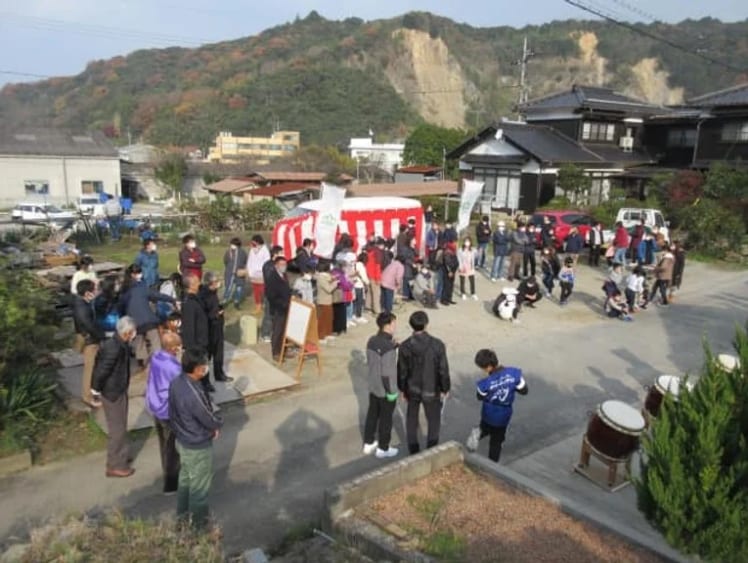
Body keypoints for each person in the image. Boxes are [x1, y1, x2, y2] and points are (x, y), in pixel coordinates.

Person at [168, 350, 223, 530]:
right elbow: (207, 417)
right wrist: (216, 425)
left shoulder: (176, 383)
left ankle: (182, 519)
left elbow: (172, 413)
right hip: (197, 445)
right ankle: (198, 530)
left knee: (185, 481)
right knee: (199, 489)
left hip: (182, 440)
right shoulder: (194, 392)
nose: (206, 368)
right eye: (204, 365)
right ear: (197, 369)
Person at [397, 311, 451, 455]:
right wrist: (445, 387)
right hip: (431, 388)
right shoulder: (437, 345)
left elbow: (402, 370)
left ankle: (413, 448)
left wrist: (402, 389)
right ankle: (432, 448)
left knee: (411, 418)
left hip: (412, 388)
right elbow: (443, 369)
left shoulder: (405, 346)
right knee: (433, 419)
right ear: (426, 324)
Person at [91, 316, 137, 478]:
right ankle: (115, 465)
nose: (134, 334)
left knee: (121, 425)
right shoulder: (114, 348)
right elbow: (101, 371)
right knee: (116, 429)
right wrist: (95, 390)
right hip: (112, 391)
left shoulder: (120, 344)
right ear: (127, 332)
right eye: (133, 332)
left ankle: (122, 456)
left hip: (118, 388)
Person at [465, 349, 528, 462]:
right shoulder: (514, 373)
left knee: (485, 427)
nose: (483, 370)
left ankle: (478, 433)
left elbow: (479, 397)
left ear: (488, 367)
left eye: (483, 368)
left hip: (488, 413)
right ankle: (492, 466)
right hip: (504, 415)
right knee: (496, 442)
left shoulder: (485, 384)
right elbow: (524, 391)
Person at [145, 331, 183, 494]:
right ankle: (171, 484)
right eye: (178, 346)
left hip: (155, 405)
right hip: (168, 411)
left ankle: (167, 472)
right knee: (172, 449)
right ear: (172, 348)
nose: (179, 349)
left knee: (164, 444)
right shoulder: (174, 367)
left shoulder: (156, 357)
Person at [119, 264, 176, 367]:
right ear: (133, 275)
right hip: (149, 320)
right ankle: (158, 364)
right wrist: (172, 300)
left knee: (140, 345)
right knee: (155, 343)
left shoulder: (124, 292)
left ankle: (144, 365)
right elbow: (157, 295)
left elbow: (121, 308)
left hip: (135, 323)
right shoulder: (142, 288)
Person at [363, 312, 400, 459]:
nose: (395, 326)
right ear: (389, 324)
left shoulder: (371, 341)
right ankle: (383, 448)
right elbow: (387, 373)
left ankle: (368, 442)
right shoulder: (388, 348)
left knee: (372, 414)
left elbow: (376, 360)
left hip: (373, 385)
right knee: (386, 418)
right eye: (394, 323)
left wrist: (393, 344)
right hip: (386, 390)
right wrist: (391, 391)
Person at [73, 279, 105, 408]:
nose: (96, 292)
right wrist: (101, 336)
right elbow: (88, 325)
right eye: (94, 290)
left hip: (89, 337)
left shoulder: (83, 303)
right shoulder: (82, 308)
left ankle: (93, 391)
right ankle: (87, 397)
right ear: (87, 293)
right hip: (90, 340)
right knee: (90, 369)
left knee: (94, 367)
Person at [199, 272, 232, 383]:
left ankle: (219, 374)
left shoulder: (214, 292)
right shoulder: (203, 295)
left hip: (218, 326)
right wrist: (215, 314)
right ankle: (205, 379)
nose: (219, 283)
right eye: (216, 281)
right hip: (209, 328)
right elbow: (203, 314)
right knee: (206, 355)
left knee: (219, 352)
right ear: (211, 283)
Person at [181, 274, 212, 392]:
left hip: (203, 340)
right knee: (198, 368)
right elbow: (189, 327)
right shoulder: (189, 303)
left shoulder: (196, 298)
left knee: (204, 366)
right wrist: (191, 348)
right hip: (197, 344)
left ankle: (205, 386)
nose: (199, 283)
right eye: (197, 281)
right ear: (191, 285)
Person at [265, 255, 292, 361]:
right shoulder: (272, 277)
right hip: (278, 308)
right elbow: (270, 295)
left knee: (284, 330)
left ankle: (284, 350)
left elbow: (286, 289)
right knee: (277, 330)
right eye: (281, 264)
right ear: (276, 265)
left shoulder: (284, 275)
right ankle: (276, 352)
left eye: (285, 264)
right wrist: (282, 304)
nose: (284, 266)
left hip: (286, 306)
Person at [316, 260, 338, 343]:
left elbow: (329, 279)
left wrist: (333, 279)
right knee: (322, 319)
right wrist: (335, 283)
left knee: (329, 318)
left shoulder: (326, 276)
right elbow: (328, 289)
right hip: (322, 301)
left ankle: (328, 333)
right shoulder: (321, 277)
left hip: (328, 301)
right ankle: (320, 336)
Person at [223, 237, 248, 309]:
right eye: (231, 244)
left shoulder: (242, 252)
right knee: (228, 287)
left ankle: (236, 301)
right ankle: (225, 301)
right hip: (230, 273)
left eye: (233, 244)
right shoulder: (228, 252)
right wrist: (229, 268)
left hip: (239, 273)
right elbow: (225, 261)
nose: (232, 246)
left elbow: (245, 261)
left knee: (239, 288)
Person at [365, 237, 385, 315]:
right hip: (374, 275)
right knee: (376, 293)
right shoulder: (378, 252)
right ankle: (377, 310)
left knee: (369, 292)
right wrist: (378, 278)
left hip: (369, 274)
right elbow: (377, 266)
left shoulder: (370, 251)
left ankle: (368, 306)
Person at [352, 252, 370, 324]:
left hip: (354, 284)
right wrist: (367, 283)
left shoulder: (355, 264)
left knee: (354, 301)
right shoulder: (361, 266)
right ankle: (358, 316)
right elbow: (364, 277)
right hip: (359, 285)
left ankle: (353, 314)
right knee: (360, 301)